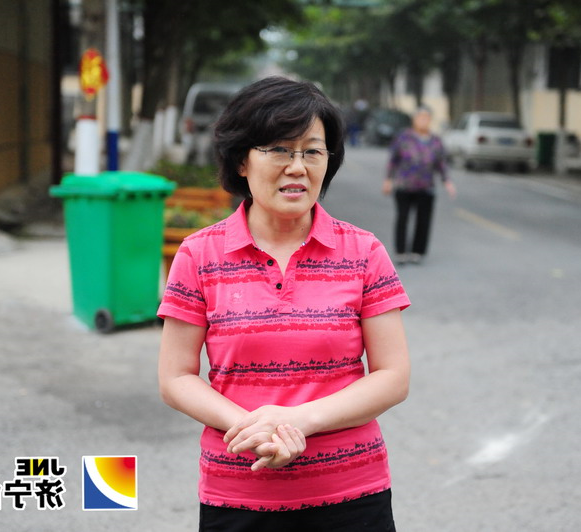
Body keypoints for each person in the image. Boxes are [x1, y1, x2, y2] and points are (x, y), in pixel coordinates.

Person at [157, 76, 411, 532]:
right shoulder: (199, 255)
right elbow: (176, 377)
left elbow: (393, 376)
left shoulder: (364, 252)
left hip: (353, 497)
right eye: (279, 150)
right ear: (241, 160)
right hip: (238, 497)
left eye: (312, 152)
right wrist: (252, 428)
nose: (297, 167)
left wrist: (298, 421)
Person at [382, 106, 456, 265]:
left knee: (424, 220)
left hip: (426, 186)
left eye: (426, 118)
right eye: (420, 117)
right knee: (402, 218)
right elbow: (393, 160)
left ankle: (417, 252)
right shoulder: (404, 137)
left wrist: (447, 182)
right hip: (404, 185)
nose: (423, 120)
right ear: (414, 120)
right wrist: (388, 180)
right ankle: (401, 252)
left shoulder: (435, 140)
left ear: (430, 120)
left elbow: (441, 163)